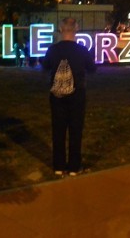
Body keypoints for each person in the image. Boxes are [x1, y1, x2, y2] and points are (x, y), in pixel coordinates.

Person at [42, 17, 96, 177]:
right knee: (75, 130)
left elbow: (45, 67)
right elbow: (92, 69)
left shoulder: (53, 50)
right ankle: (74, 166)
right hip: (77, 95)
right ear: (76, 29)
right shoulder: (82, 50)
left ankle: (58, 166)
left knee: (58, 130)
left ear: (60, 28)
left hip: (57, 96)